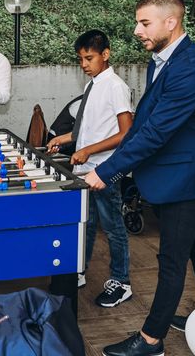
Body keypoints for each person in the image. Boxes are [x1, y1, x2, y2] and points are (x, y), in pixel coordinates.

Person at [85, 0, 195, 356]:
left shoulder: (191, 68)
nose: (136, 30)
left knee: (172, 259)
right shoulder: (162, 59)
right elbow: (150, 121)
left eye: (144, 22)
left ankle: (151, 340)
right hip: (180, 175)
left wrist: (108, 170)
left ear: (171, 22)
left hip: (186, 179)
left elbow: (156, 131)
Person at [47, 29, 133, 307]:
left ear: (105, 55)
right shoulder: (92, 84)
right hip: (87, 169)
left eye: (89, 58)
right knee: (87, 222)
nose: (84, 64)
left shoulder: (116, 86)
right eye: (80, 59)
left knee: (114, 227)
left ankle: (122, 282)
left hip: (106, 169)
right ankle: (79, 271)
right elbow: (88, 127)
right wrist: (67, 139)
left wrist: (87, 150)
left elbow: (125, 134)